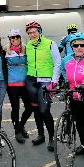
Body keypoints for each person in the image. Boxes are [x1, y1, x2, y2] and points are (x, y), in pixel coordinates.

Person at [57, 32, 84, 160]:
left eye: (82, 45)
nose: (79, 47)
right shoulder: (67, 60)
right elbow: (63, 71)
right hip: (74, 96)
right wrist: (65, 81)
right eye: (76, 45)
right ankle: (83, 144)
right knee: (79, 123)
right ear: (72, 47)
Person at [23, 21, 60, 150]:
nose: (32, 34)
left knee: (45, 110)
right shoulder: (28, 45)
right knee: (36, 109)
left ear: (39, 31)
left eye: (34, 32)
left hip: (46, 80)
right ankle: (41, 135)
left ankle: (52, 138)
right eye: (30, 33)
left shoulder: (50, 44)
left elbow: (57, 63)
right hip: (31, 80)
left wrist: (54, 81)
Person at [4, 30, 31, 142]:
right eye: (12, 37)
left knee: (30, 108)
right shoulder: (5, 50)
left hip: (25, 84)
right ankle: (17, 132)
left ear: (20, 37)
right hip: (12, 84)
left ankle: (21, 125)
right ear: (9, 39)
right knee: (15, 108)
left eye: (17, 37)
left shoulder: (26, 49)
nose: (14, 39)